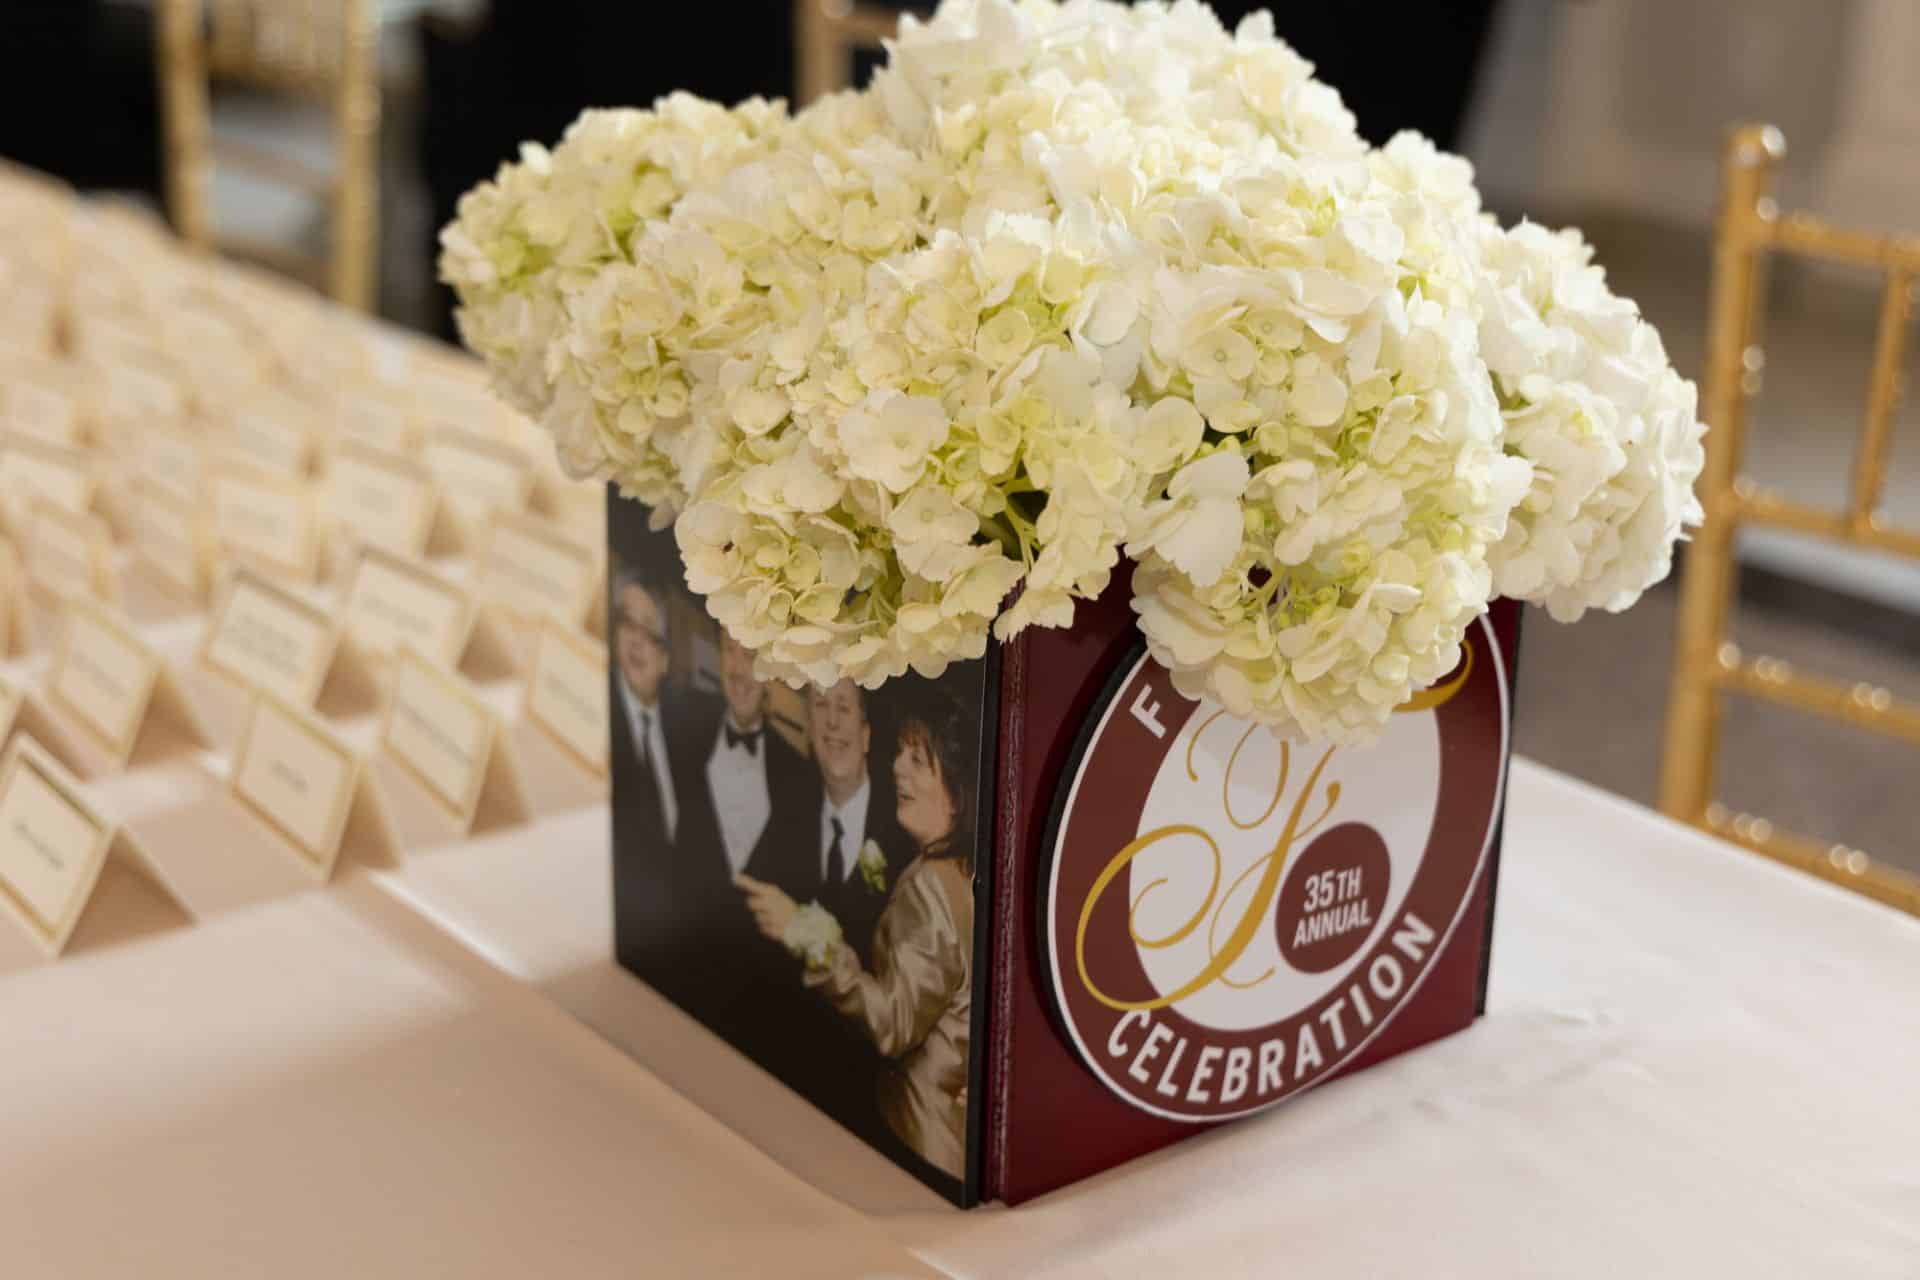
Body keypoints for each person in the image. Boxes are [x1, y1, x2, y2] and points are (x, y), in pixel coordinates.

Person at [741, 697, 976, 1189]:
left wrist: (804, 931)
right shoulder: (963, 871)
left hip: (919, 1139)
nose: (896, 768)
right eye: (901, 755)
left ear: (954, 789)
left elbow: (892, 1023)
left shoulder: (931, 885)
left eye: (916, 760)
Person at [607, 565, 719, 1005]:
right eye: (626, 623)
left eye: (649, 632)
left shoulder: (690, 726)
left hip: (687, 949)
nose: (635, 640)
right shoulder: (610, 724)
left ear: (668, 659)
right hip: (635, 948)